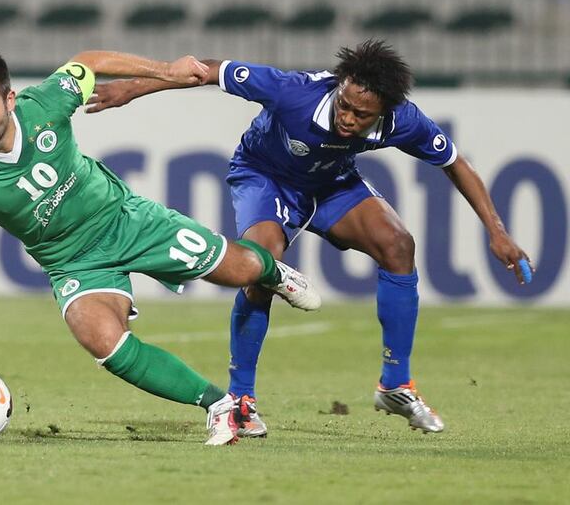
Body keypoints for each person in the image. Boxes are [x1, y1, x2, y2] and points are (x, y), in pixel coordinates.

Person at [0, 48, 321, 446]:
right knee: (100, 339)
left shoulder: (46, 104)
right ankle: (223, 406)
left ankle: (277, 274)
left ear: (8, 98)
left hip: (126, 220)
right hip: (72, 261)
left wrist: (164, 70)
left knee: (241, 271)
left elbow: (89, 61)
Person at [87, 39, 533, 436]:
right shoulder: (293, 92)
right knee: (261, 264)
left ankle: (395, 384)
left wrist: (498, 232)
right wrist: (132, 87)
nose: (349, 118)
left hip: (332, 184)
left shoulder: (403, 121)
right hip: (265, 177)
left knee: (398, 246)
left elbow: (455, 162)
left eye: (362, 115)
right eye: (345, 105)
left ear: (384, 112)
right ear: (340, 85)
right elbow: (203, 69)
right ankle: (241, 399)